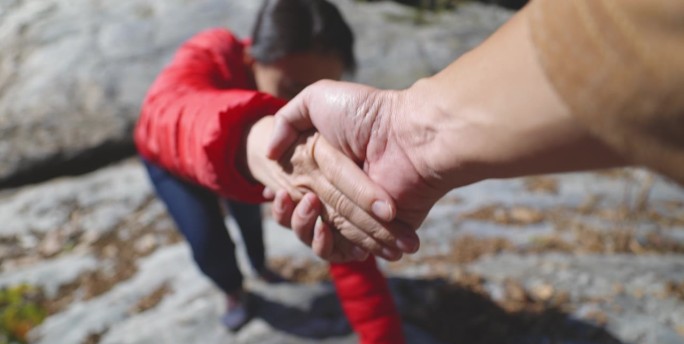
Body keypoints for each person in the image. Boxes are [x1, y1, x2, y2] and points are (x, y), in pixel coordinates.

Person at [264, 0, 684, 260]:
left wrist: (401, 135)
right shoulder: (205, 60)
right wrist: (257, 143)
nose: (300, 99)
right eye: (289, 88)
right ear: (251, 59)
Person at [134, 1, 412, 344]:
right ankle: (234, 289)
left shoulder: (315, 135)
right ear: (250, 60)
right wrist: (254, 136)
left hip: (243, 170)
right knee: (208, 243)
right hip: (170, 162)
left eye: (322, 91)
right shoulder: (212, 50)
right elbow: (167, 111)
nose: (304, 110)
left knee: (249, 223)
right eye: (292, 89)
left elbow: (350, 250)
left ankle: (260, 266)